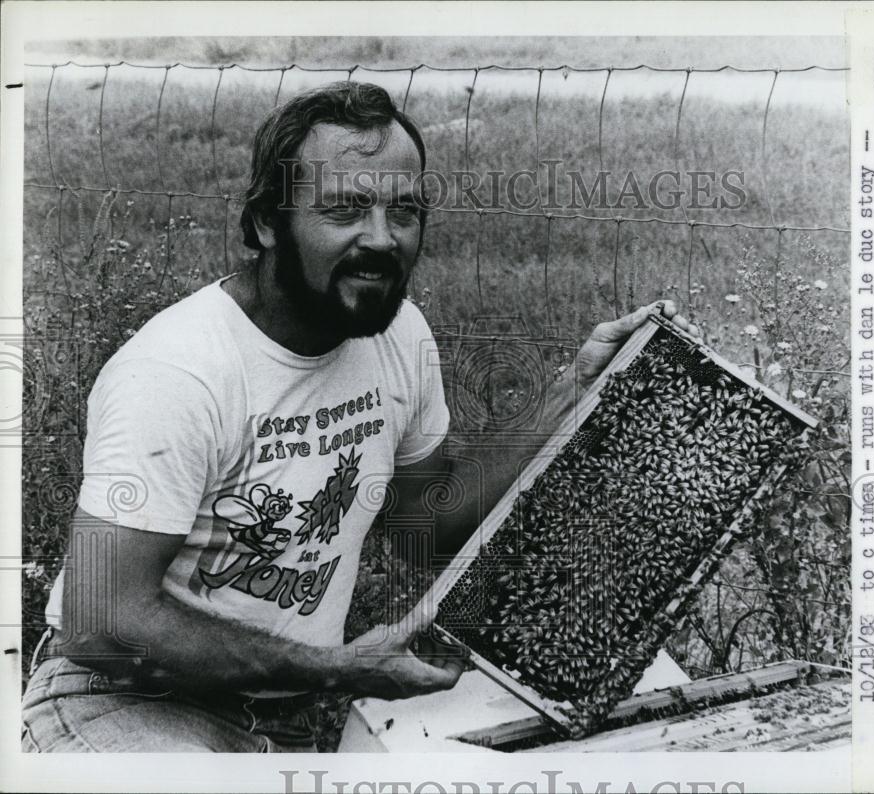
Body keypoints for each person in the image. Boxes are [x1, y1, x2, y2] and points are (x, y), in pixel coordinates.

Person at [21, 81, 694, 752]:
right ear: (265, 223)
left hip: (279, 722)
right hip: (121, 701)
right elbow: (102, 620)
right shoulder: (178, 371)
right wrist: (337, 668)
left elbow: (423, 525)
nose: (382, 239)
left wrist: (574, 388)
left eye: (402, 212)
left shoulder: (400, 338)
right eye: (344, 210)